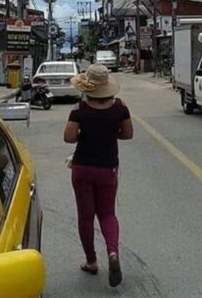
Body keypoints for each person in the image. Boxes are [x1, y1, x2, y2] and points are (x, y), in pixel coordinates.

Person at [64, 64, 133, 288]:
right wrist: (110, 132)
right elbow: (128, 134)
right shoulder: (120, 108)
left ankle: (92, 261)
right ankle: (112, 252)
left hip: (82, 168)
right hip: (108, 169)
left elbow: (69, 138)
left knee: (86, 216)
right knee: (107, 214)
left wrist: (85, 131)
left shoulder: (79, 110)